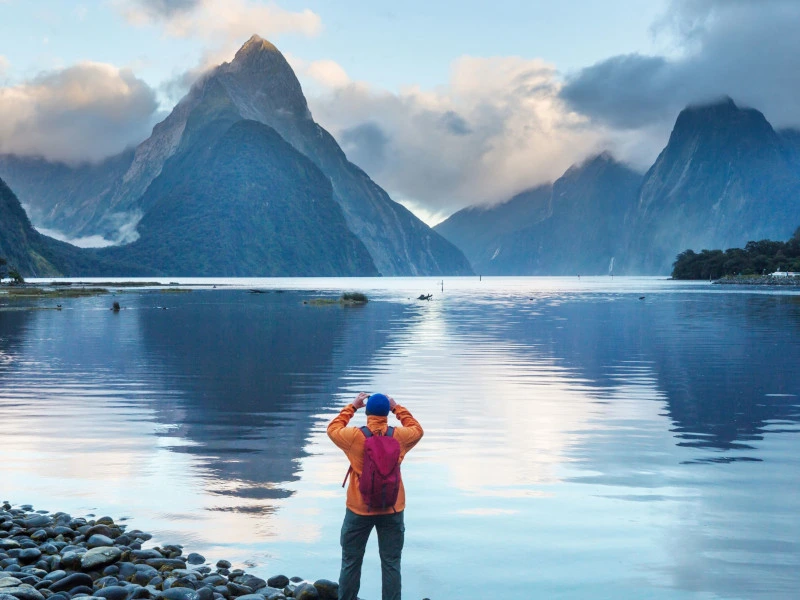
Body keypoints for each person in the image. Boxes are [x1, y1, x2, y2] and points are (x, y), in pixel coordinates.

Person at [327, 392, 424, 600]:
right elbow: (417, 430)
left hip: (358, 510)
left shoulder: (354, 436)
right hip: (393, 509)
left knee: (351, 561)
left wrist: (352, 407)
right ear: (387, 413)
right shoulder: (400, 436)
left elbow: (332, 429)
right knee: (391, 563)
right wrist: (397, 407)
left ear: (367, 412)